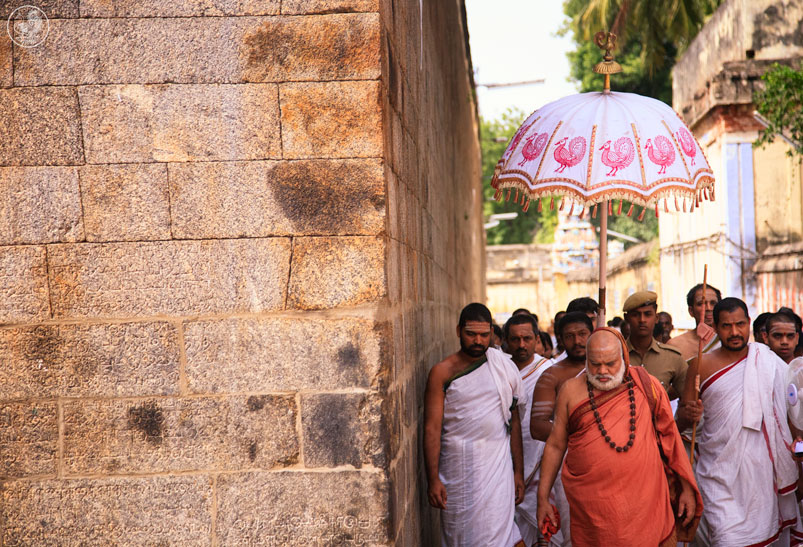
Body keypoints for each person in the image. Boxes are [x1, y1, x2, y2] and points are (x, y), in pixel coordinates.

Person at [536, 328, 702, 545]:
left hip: (646, 507)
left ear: (624, 357)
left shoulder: (647, 385)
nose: (602, 371)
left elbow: (671, 439)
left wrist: (686, 488)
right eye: (595, 364)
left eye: (610, 363)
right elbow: (555, 445)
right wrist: (542, 498)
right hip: (592, 512)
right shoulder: (570, 390)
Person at [685, 298, 803, 545]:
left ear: (749, 323)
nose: (735, 332)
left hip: (762, 475)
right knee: (726, 539)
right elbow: (682, 419)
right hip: (718, 474)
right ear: (715, 327)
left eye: (740, 324)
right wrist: (689, 414)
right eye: (726, 326)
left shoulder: (767, 361)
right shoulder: (700, 364)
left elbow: (790, 413)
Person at [424, 303, 526, 546]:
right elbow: (432, 429)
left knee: (502, 534)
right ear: (458, 331)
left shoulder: (502, 367)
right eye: (471, 334)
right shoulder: (442, 372)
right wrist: (433, 479)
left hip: (497, 467)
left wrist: (518, 472)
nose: (478, 341)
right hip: (458, 469)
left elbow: (513, 422)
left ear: (491, 332)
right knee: (463, 536)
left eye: (484, 334)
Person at [529, 311, 595, 545]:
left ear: (593, 334)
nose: (577, 341)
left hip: (610, 463)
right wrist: (583, 436)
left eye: (582, 334)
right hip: (569, 464)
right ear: (560, 339)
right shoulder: (552, 376)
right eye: (569, 336)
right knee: (575, 535)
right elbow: (537, 426)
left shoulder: (611, 370)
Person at [504, 314, 554, 545]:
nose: (521, 345)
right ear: (506, 341)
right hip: (507, 465)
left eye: (527, 339)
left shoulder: (549, 371)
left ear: (537, 339)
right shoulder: (499, 370)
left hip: (544, 463)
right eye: (515, 339)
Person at [622, 292, 692, 428]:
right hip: (622, 434)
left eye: (647, 314)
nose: (642, 320)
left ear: (656, 318)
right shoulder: (615, 356)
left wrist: (674, 429)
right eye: (636, 315)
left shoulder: (672, 357)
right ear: (627, 318)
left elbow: (688, 403)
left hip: (660, 434)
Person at [667, 283, 722, 361]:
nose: (709, 308)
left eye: (713, 303)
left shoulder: (729, 341)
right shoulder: (675, 345)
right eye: (701, 304)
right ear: (691, 311)